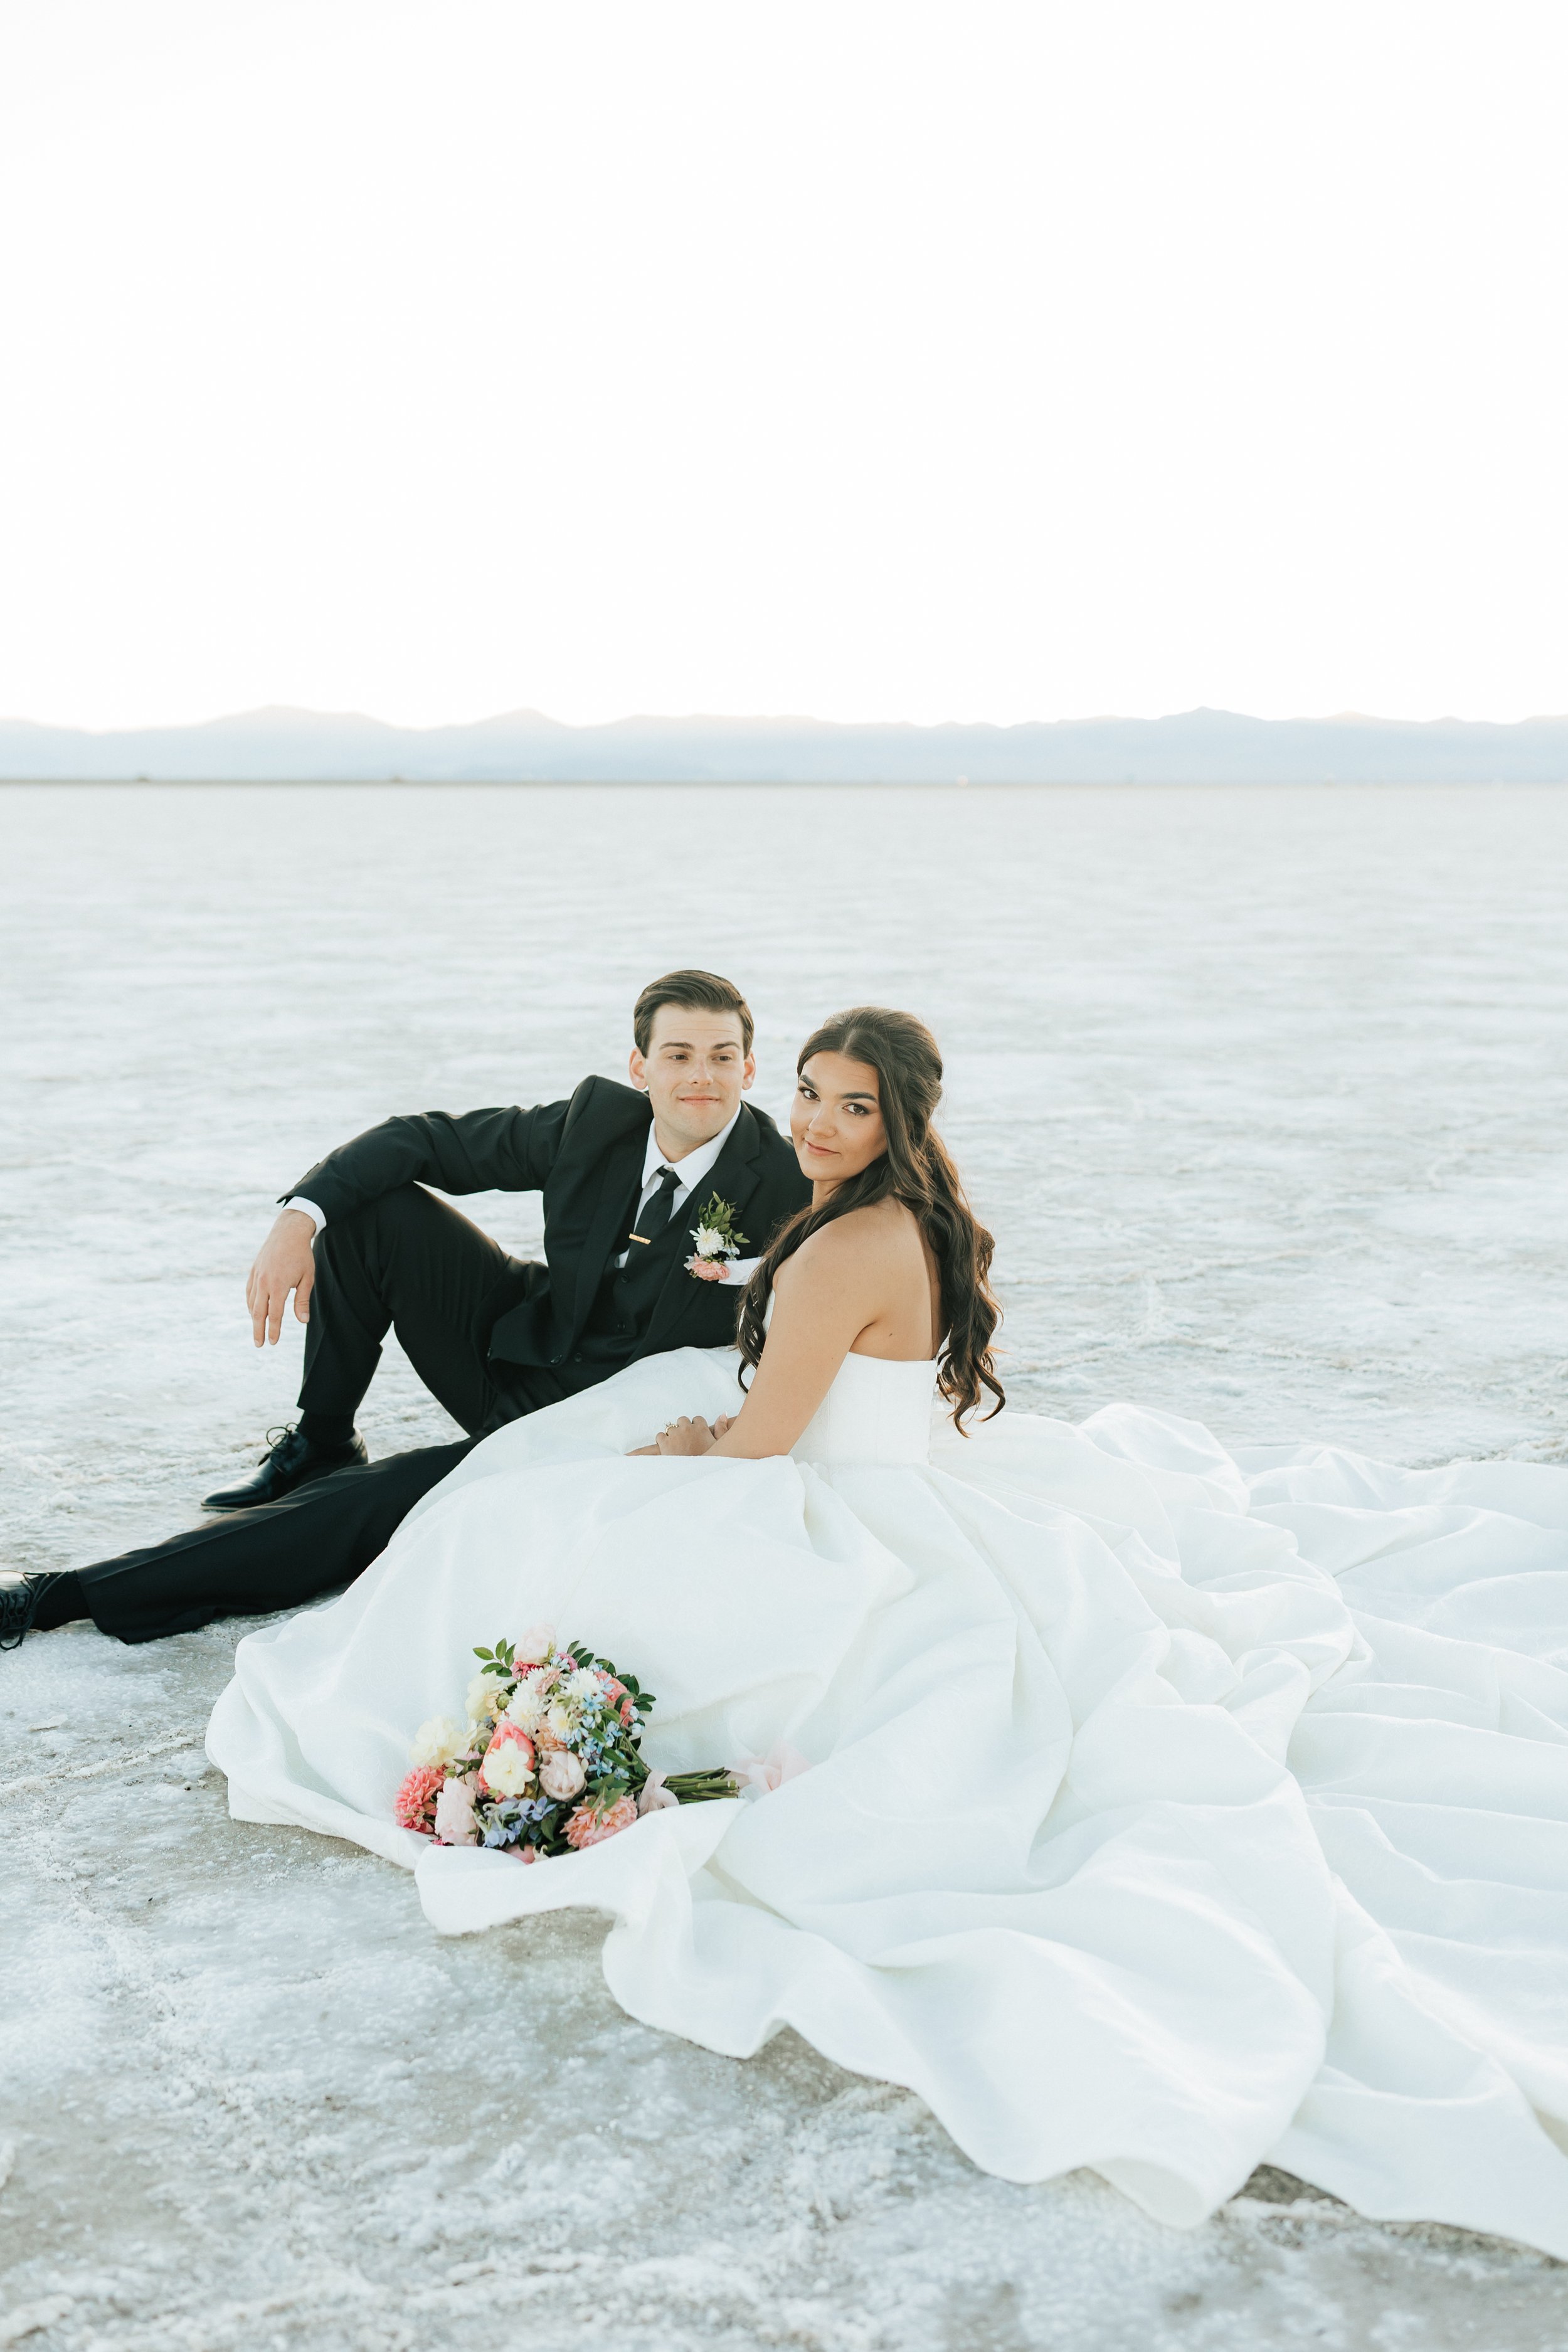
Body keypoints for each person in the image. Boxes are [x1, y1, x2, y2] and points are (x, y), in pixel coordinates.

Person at [188, 1004, 1568, 2254]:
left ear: (898, 1125)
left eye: (848, 1107)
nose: (810, 1122)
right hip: (891, 1473)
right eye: (805, 1093)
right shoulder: (892, 1219)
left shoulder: (846, 1237)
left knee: (544, 1525)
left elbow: (763, 1447)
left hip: (844, 1501)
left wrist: (679, 1448)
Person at [0, 968, 810, 1647]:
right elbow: (425, 1138)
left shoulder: (787, 1180)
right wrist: (299, 1216)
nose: (700, 1074)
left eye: (721, 1055)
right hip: (518, 1351)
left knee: (367, 1506)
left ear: (749, 1068)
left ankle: (64, 1595)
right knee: (370, 1208)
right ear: (640, 1067)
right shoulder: (595, 1126)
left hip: (593, 1430)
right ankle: (322, 1439)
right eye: (678, 1054)